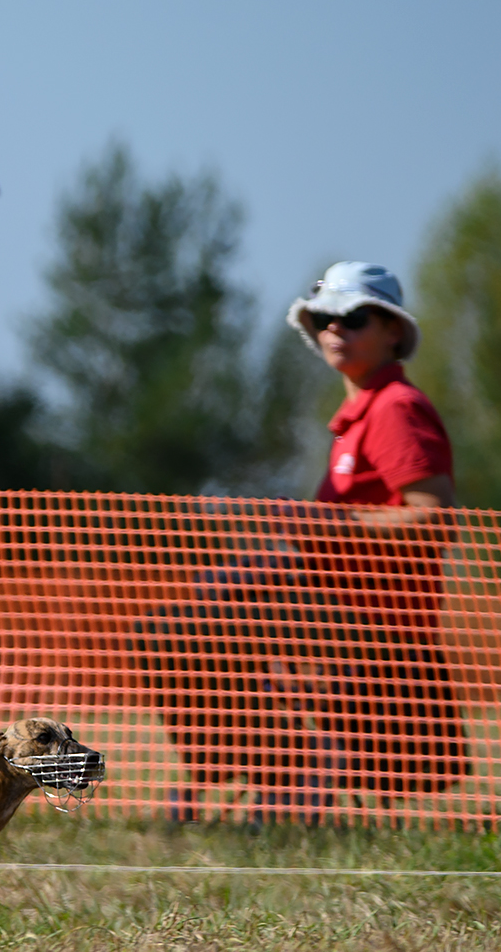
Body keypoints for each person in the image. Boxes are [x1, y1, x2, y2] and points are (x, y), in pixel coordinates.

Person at [133, 262, 466, 815]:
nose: (336, 328)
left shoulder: (396, 409)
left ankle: (285, 766)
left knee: (188, 627)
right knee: (186, 618)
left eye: (354, 317)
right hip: (331, 600)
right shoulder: (359, 412)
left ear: (392, 331)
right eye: (324, 318)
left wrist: (326, 524)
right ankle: (272, 763)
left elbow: (436, 519)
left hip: (368, 613)